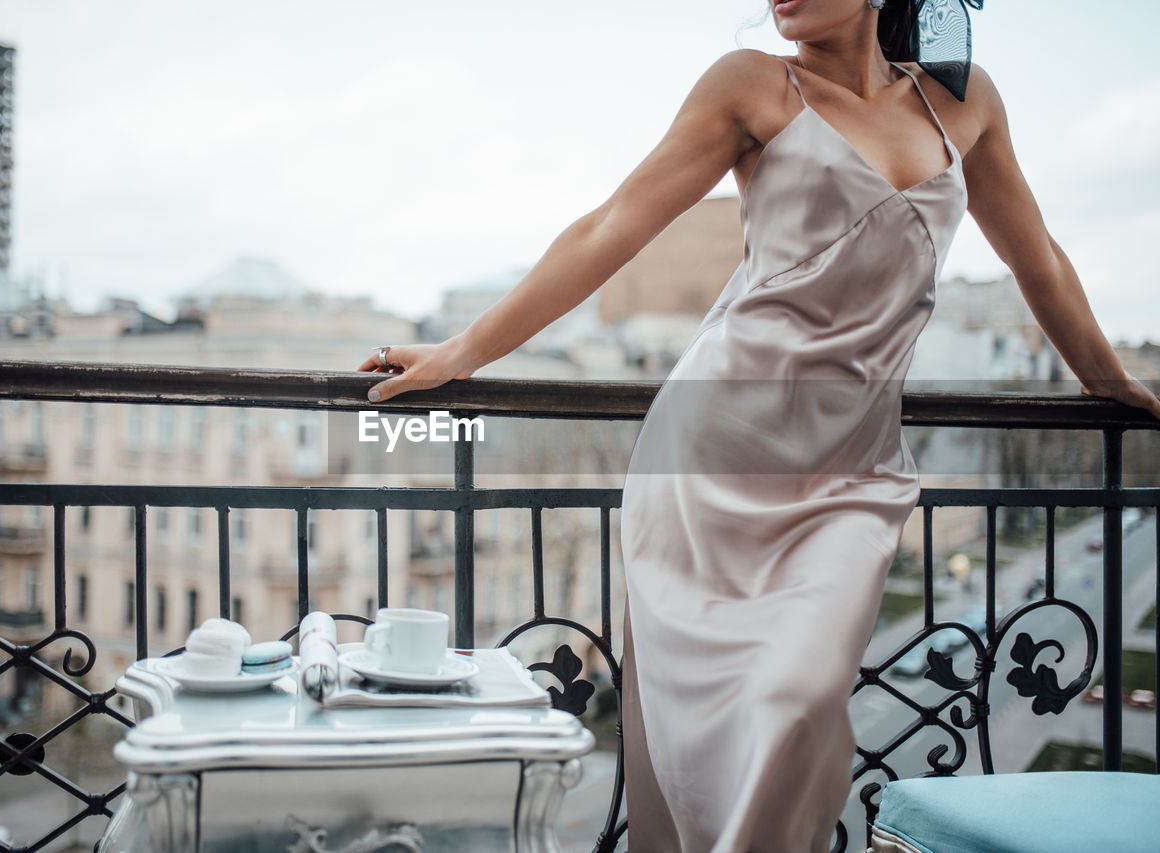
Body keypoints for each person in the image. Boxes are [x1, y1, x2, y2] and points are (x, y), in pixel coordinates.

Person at [358, 1, 1160, 850]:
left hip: (854, 474)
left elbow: (1038, 255)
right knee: (716, 735)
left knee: (798, 700)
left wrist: (1111, 380)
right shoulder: (753, 85)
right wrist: (461, 352)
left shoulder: (966, 103)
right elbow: (611, 226)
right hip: (713, 459)